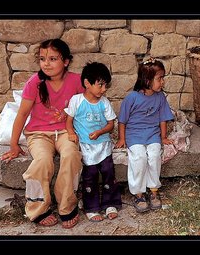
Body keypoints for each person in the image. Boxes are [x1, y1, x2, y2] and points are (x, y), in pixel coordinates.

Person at [0, 39, 84, 229]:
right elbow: (22, 114)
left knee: (71, 155)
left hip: (66, 131)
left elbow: (86, 106)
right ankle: (38, 207)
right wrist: (14, 144)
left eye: (53, 58)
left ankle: (66, 206)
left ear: (66, 62)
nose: (46, 63)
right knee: (42, 161)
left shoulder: (76, 81)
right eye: (42, 59)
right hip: (39, 134)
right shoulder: (35, 83)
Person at [115, 57, 174, 213]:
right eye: (159, 78)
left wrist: (163, 138)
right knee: (139, 157)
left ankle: (154, 190)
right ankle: (139, 193)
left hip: (153, 134)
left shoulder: (160, 97)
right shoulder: (132, 98)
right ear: (147, 80)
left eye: (163, 78)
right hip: (134, 135)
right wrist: (122, 138)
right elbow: (122, 120)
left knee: (154, 155)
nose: (163, 81)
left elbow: (163, 119)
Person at [64, 62, 122, 222]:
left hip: (103, 146)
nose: (103, 89)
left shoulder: (104, 102)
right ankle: (92, 207)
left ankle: (110, 204)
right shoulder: (76, 101)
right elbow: (69, 121)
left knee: (109, 174)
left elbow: (111, 124)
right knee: (90, 177)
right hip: (86, 147)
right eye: (100, 85)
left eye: (106, 85)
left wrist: (100, 132)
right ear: (87, 83)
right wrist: (71, 133)